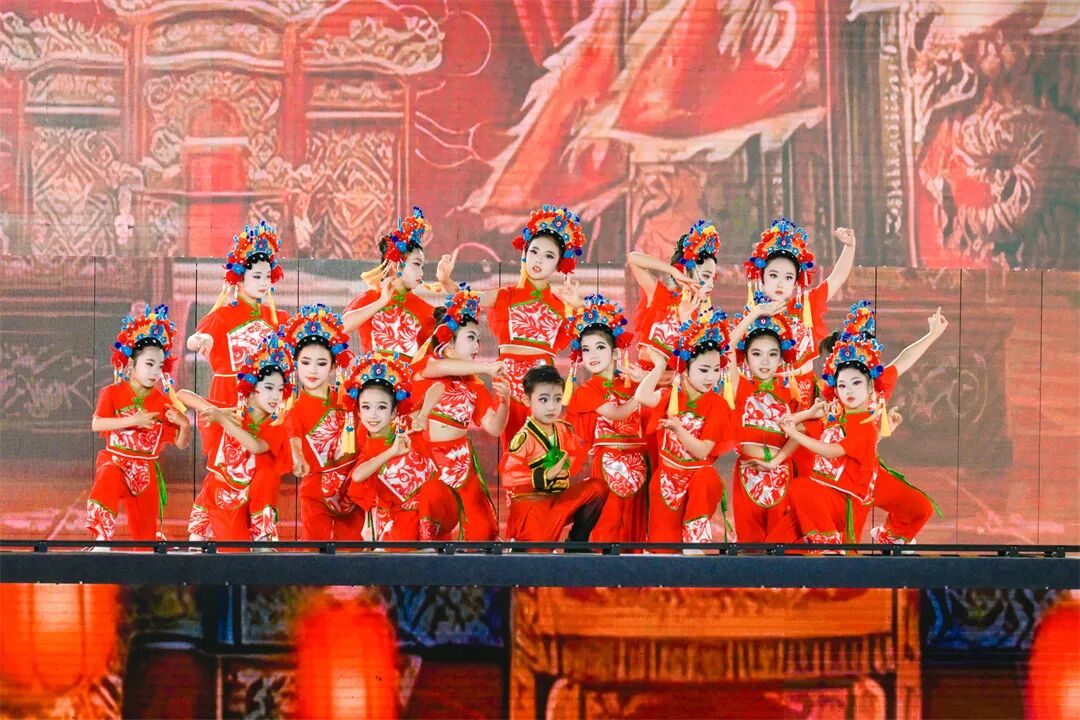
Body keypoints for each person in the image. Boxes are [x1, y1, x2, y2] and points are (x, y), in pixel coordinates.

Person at [473, 205, 588, 453]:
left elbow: (584, 336)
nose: (539, 260)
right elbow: (469, 299)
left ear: (559, 264)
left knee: (543, 448)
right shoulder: (507, 295)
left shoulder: (562, 306)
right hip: (508, 379)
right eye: (534, 251)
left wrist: (578, 306)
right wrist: (447, 283)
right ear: (524, 253)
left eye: (549, 256)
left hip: (543, 382)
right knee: (514, 448)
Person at [412, 283, 510, 540]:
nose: (477, 345)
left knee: (485, 531)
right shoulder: (427, 367)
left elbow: (493, 427)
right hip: (427, 461)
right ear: (447, 342)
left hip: (461, 461)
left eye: (478, 339)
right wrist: (487, 368)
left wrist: (504, 402)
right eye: (471, 337)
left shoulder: (474, 385)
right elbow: (438, 367)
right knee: (427, 525)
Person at [87, 304, 191, 543]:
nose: (155, 372)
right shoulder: (111, 393)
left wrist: (184, 425)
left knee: (144, 540)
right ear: (131, 364)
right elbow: (97, 424)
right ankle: (101, 541)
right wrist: (133, 420)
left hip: (146, 473)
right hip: (116, 461)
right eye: (149, 364)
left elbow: (181, 444)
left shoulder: (163, 402)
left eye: (159, 366)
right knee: (106, 479)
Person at [181, 332, 293, 543]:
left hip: (252, 497)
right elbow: (182, 395)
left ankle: (262, 542)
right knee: (202, 547)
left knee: (237, 551)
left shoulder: (277, 424)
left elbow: (256, 446)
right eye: (269, 388)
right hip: (217, 492)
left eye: (280, 389)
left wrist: (223, 420)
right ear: (251, 389)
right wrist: (218, 411)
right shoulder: (234, 413)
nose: (275, 396)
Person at [635, 308, 735, 546]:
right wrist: (659, 366)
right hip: (666, 481)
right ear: (685, 368)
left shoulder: (718, 404)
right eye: (703, 370)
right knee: (664, 550)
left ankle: (695, 542)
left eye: (715, 370)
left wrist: (679, 429)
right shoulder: (671, 396)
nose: (711, 377)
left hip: (698, 482)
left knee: (706, 476)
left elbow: (702, 451)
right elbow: (641, 396)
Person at [344, 352, 460, 543]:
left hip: (435, 509)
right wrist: (392, 452)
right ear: (358, 411)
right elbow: (357, 476)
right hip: (401, 518)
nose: (373, 415)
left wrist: (422, 416)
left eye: (381, 407)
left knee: (432, 490)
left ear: (393, 412)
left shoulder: (406, 423)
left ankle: (426, 542)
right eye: (366, 407)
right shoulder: (366, 444)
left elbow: (439, 386)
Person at [563, 293, 649, 542]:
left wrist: (646, 380)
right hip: (608, 462)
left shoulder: (631, 384)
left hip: (640, 462)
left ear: (614, 352)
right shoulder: (586, 391)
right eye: (586, 349)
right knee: (608, 524)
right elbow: (618, 413)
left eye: (600, 347)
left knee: (634, 529)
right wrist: (645, 389)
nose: (592, 354)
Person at [744, 219, 857, 407]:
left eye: (788, 277)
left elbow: (837, 278)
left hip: (804, 391)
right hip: (767, 394)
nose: (780, 283)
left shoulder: (805, 304)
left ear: (796, 281)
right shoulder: (754, 312)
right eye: (773, 275)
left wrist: (849, 246)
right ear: (761, 276)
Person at [186, 221, 290, 415]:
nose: (264, 282)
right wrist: (202, 339)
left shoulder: (278, 318)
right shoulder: (222, 316)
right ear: (240, 278)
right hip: (229, 397)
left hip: (266, 399)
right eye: (257, 276)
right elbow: (194, 341)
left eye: (267, 276)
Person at [282, 304, 364, 541]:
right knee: (313, 551)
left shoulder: (348, 399)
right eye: (305, 362)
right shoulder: (294, 409)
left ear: (333, 366)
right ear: (295, 365)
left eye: (321, 363)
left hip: (353, 487)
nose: (312, 370)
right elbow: (294, 439)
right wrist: (298, 458)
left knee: (353, 553)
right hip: (316, 491)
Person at [499, 365, 607, 543]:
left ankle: (577, 542)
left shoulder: (562, 429)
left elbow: (574, 456)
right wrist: (546, 474)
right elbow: (508, 475)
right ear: (527, 400)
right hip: (533, 505)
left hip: (558, 499)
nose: (551, 407)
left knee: (597, 488)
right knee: (540, 555)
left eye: (557, 399)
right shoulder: (525, 438)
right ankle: (526, 544)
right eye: (543, 400)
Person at [342, 207, 455, 361]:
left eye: (422, 267)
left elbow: (459, 327)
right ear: (396, 265)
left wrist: (446, 281)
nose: (421, 273)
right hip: (374, 375)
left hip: (409, 376)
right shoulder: (370, 298)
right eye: (416, 264)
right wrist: (381, 302)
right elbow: (343, 326)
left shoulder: (425, 309)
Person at [629, 219, 720, 372]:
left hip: (669, 386)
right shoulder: (661, 297)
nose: (711, 284)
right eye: (705, 276)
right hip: (638, 382)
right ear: (685, 272)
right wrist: (672, 271)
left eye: (713, 278)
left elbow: (697, 372)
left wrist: (687, 322)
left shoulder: (705, 321)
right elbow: (633, 259)